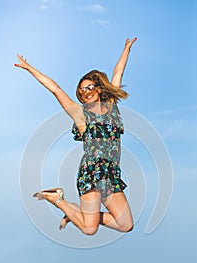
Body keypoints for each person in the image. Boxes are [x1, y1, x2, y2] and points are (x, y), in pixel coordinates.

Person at [15, 37, 137, 235]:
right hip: (91, 172)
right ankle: (57, 199)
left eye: (89, 87)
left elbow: (118, 72)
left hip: (111, 174)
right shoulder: (81, 115)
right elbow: (56, 89)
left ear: (99, 88)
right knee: (89, 229)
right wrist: (29, 68)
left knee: (126, 224)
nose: (86, 92)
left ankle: (75, 212)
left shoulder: (112, 106)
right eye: (82, 90)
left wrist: (127, 48)